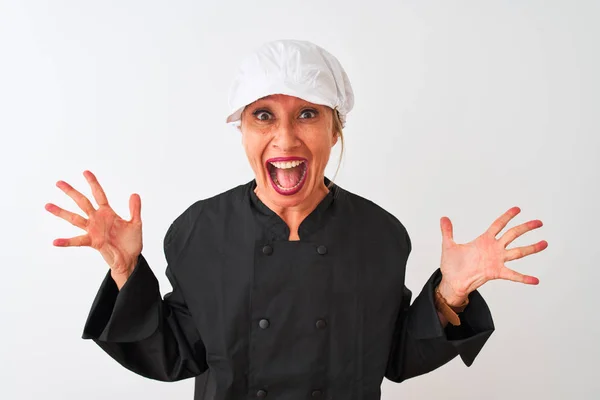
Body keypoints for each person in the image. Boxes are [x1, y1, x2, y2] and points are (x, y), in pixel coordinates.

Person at [45, 40, 547, 399]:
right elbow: (176, 355)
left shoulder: (379, 235)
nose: (285, 139)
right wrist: (125, 271)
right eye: (263, 115)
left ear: (336, 130)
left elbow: (393, 358)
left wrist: (450, 294)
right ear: (241, 129)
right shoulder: (200, 230)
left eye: (307, 114)